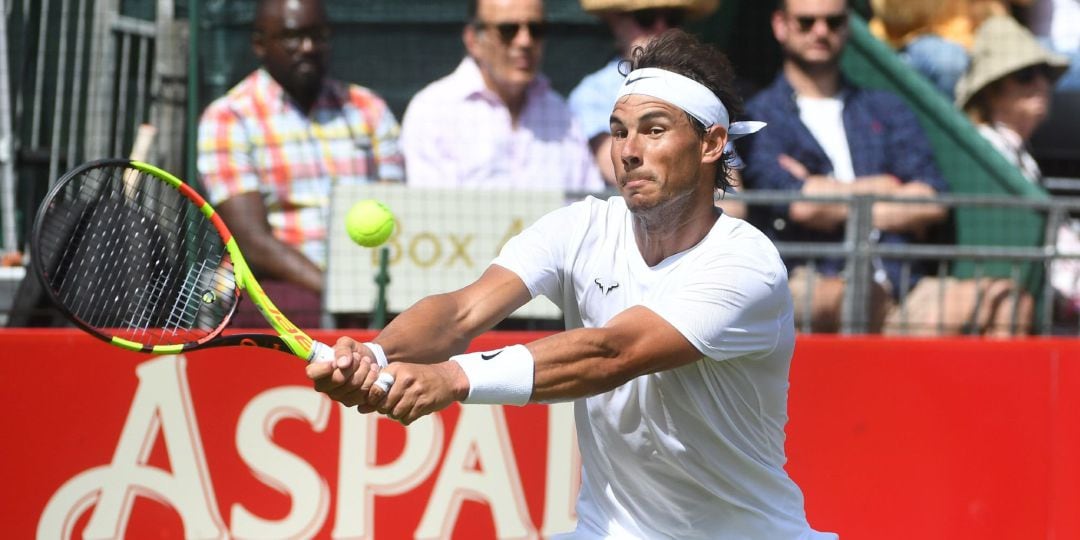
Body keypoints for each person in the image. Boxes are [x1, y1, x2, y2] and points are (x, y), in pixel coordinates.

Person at [308, 29, 834, 540]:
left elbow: (613, 352)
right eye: (620, 130)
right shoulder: (580, 226)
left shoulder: (745, 262)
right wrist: (375, 356)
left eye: (654, 130)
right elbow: (461, 312)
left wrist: (452, 378)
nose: (628, 150)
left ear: (711, 144)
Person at [740, 0, 1030, 335]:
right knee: (856, 297)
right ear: (780, 25)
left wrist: (826, 194)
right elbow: (800, 206)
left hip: (901, 285)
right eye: (807, 22)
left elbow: (931, 198)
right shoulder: (757, 117)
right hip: (809, 279)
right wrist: (885, 187)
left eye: (833, 22)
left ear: (847, 25)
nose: (821, 31)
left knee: (1007, 302)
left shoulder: (886, 109)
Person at [196, 0, 403, 327]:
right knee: (290, 305)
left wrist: (369, 291)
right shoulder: (229, 116)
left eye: (318, 36)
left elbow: (397, 209)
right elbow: (251, 240)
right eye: (293, 37)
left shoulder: (368, 108)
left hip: (369, 281)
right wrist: (335, 293)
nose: (308, 48)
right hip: (280, 284)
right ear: (260, 44)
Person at [399, 0, 603, 193]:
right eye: (508, 30)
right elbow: (432, 212)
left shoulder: (562, 115)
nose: (525, 41)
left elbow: (588, 202)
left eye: (536, 30)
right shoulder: (433, 110)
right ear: (473, 41)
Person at [957, 15, 1076, 325]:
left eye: (1045, 75)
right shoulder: (985, 147)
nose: (1040, 85)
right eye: (1026, 75)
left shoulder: (1019, 151)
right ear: (993, 89)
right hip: (1031, 289)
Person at [569, 0, 719, 185]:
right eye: (645, 18)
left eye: (673, 18)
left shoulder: (702, 92)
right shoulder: (593, 92)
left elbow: (733, 198)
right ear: (615, 22)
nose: (661, 28)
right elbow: (623, 171)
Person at [868, 0, 1035, 98]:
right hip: (911, 42)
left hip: (984, 39)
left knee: (1038, 60)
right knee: (949, 61)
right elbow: (896, 15)